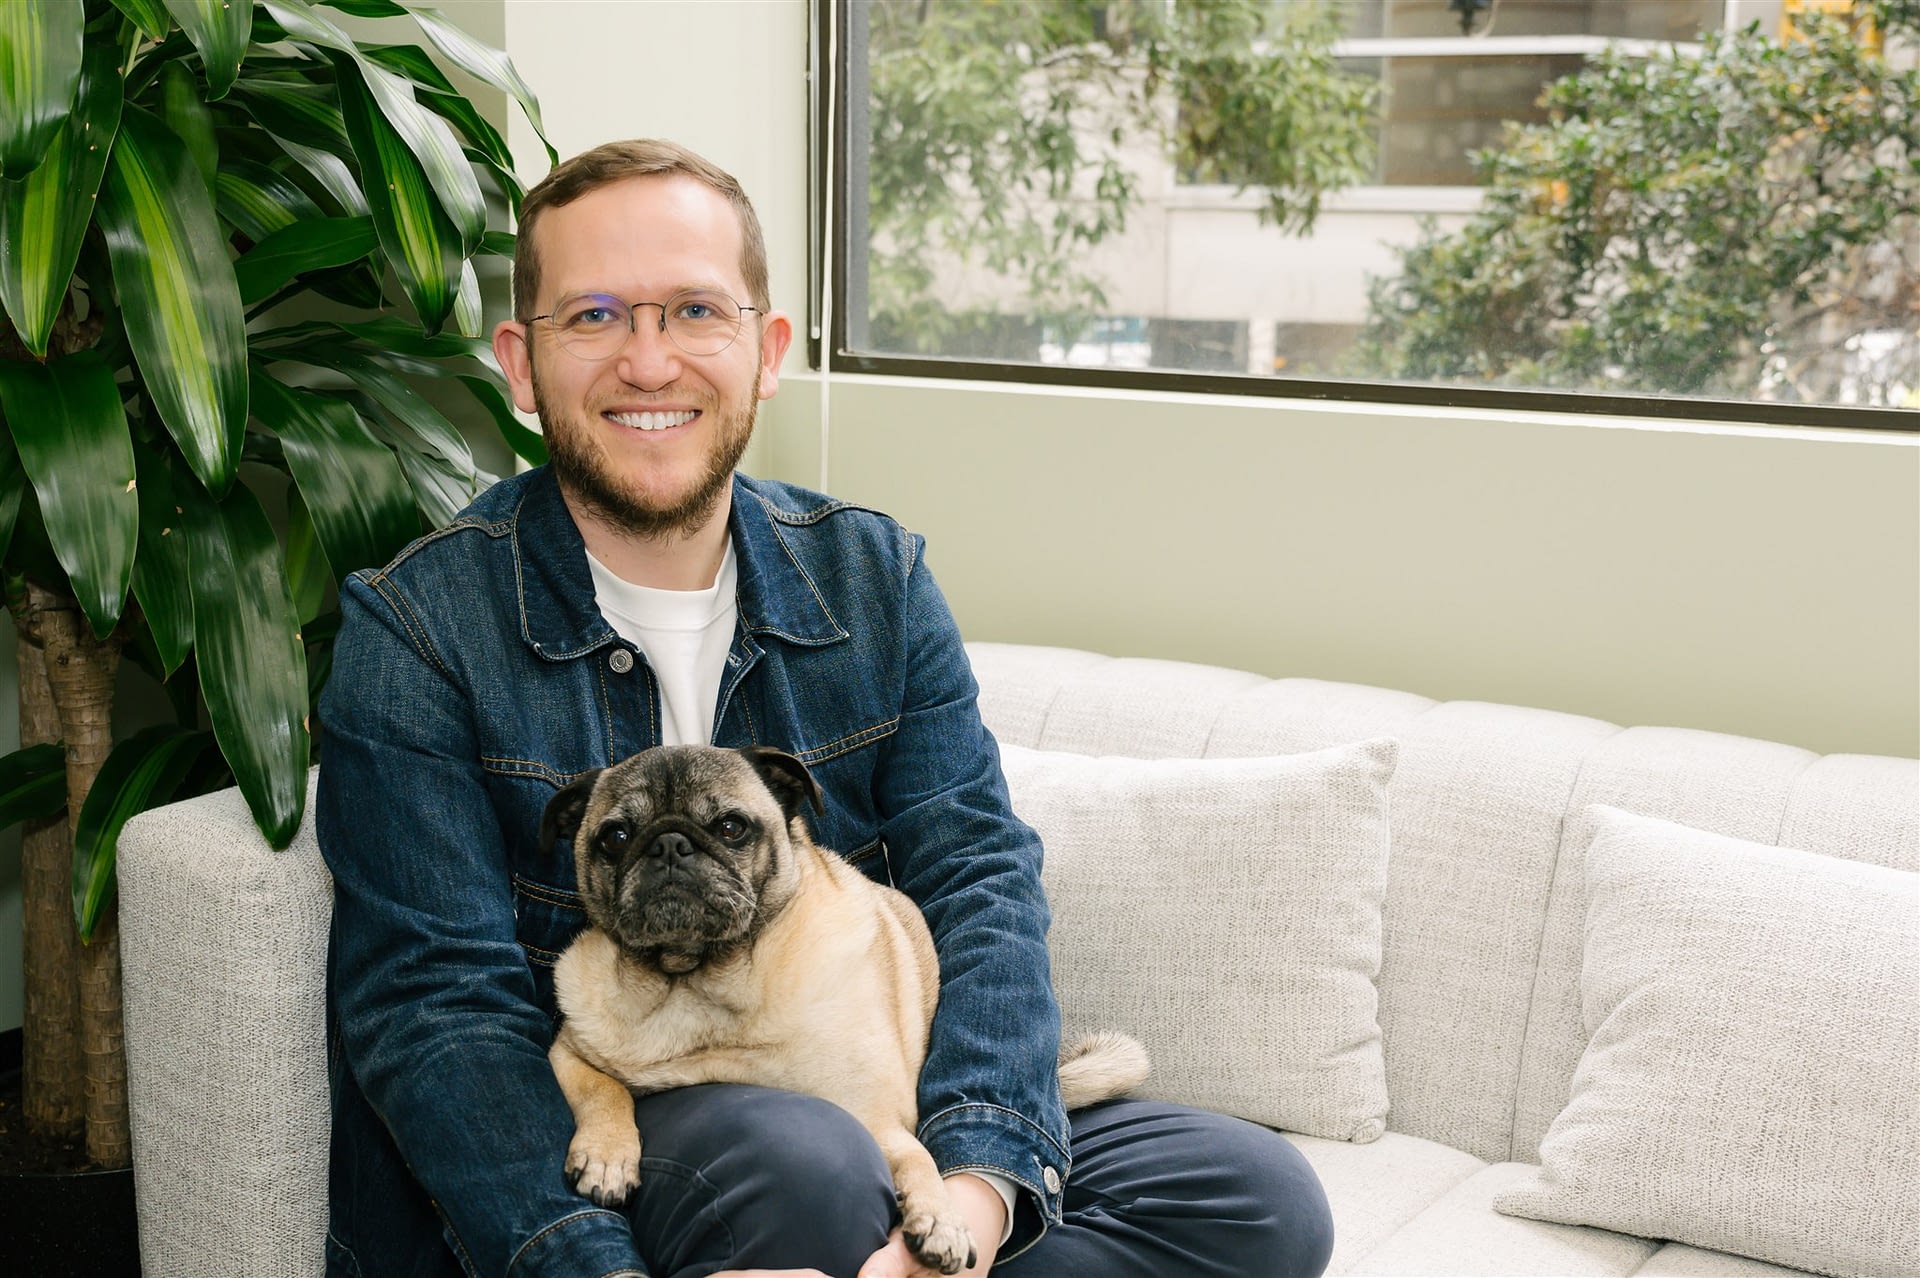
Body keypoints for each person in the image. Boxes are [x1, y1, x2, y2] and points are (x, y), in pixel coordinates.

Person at [316, 137, 1334, 1278]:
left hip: (848, 1102)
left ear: (766, 352)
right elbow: (433, 1009)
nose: (649, 363)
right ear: (520, 362)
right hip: (613, 1141)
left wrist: (975, 1189)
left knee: (1255, 1197)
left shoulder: (873, 578)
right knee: (802, 1164)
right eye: (594, 316)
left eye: (696, 310)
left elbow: (979, 879)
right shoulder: (417, 627)